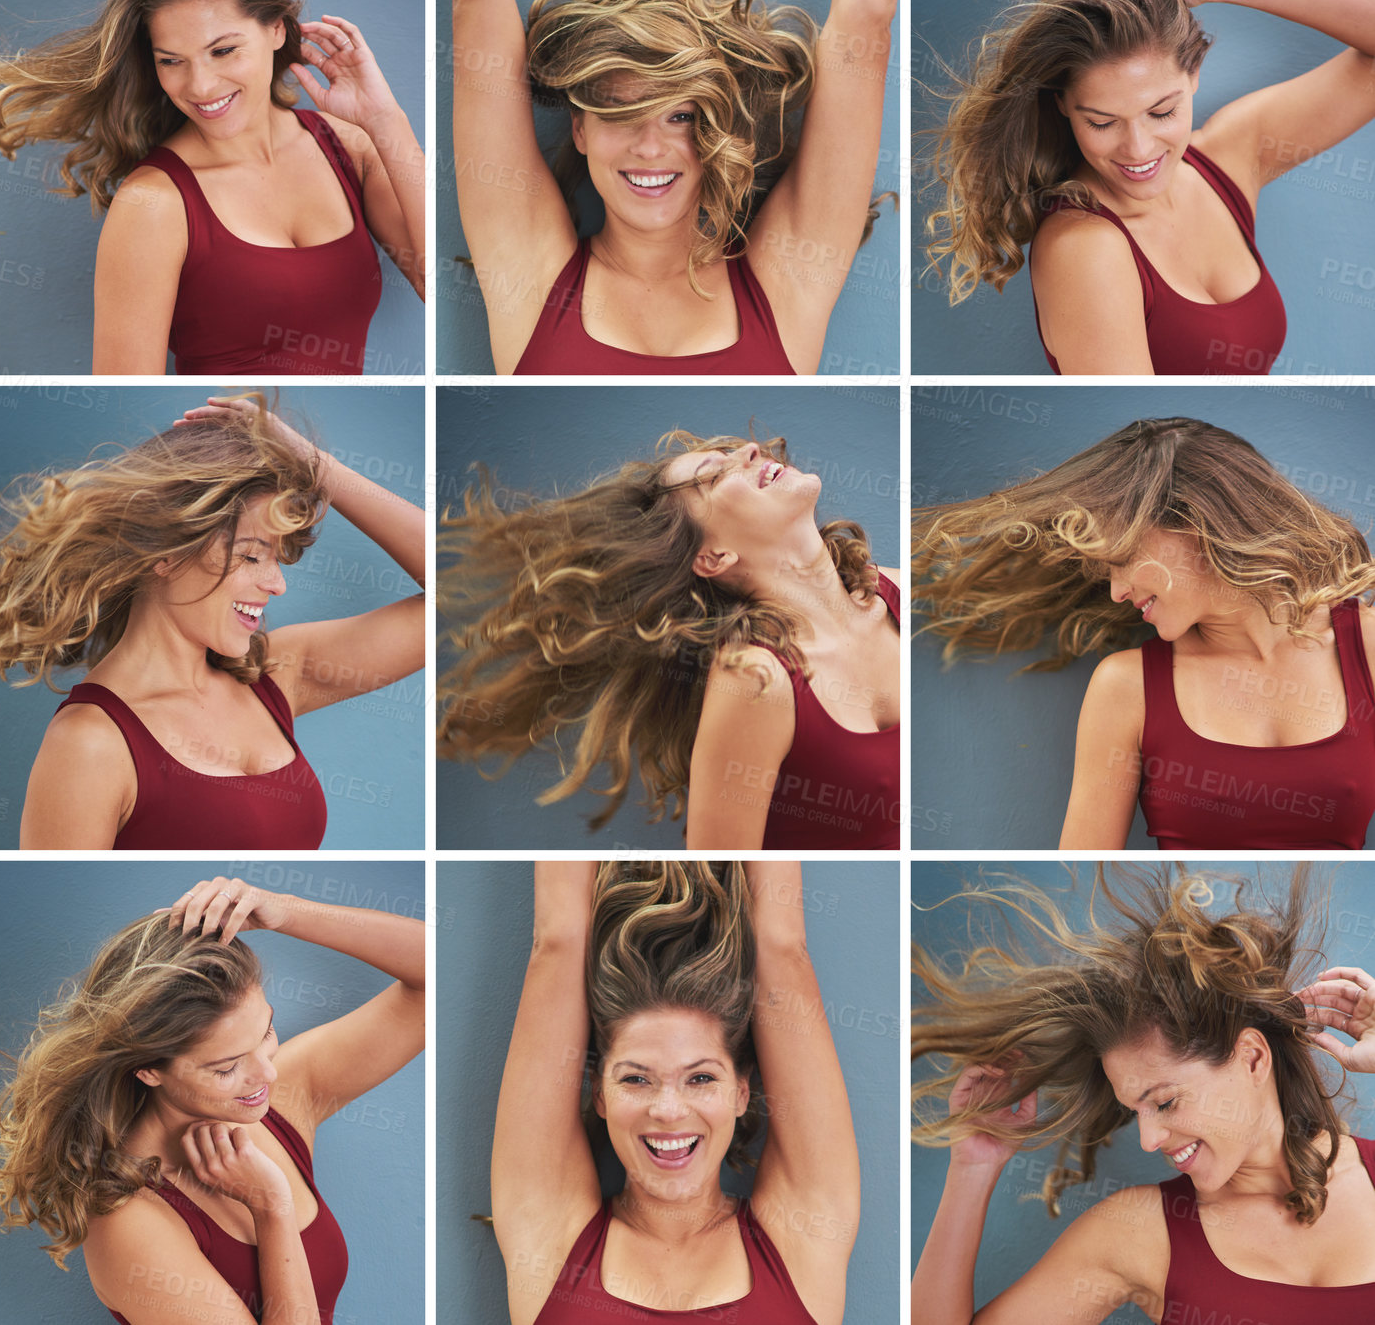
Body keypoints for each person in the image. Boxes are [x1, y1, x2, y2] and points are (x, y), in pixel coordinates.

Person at [911, 864, 1375, 1325]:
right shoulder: (1138, 1231)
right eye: (1136, 1112)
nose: (1149, 1140)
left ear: (1252, 1059)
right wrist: (972, 1167)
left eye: (1166, 1102)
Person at [437, 0, 898, 374]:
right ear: (580, 129)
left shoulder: (788, 286)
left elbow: (866, 16)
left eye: (680, 117)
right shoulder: (530, 275)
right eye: (621, 114)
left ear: (715, 132)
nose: (650, 147)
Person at [0, 393, 425, 849]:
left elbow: (460, 594)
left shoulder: (276, 674)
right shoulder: (89, 743)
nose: (277, 584)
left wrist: (313, 464)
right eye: (250, 556)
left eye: (278, 558)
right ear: (165, 555)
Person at [0, 0, 424, 374]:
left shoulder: (350, 146)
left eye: (223, 51)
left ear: (278, 31)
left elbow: (438, 287)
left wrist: (387, 122)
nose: (200, 86)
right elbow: (127, 390)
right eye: (171, 61)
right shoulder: (153, 204)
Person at [0, 874, 423, 1324]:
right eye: (226, 1068)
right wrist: (271, 1210)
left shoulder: (283, 1097)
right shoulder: (131, 1222)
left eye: (266, 1032)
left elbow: (435, 971)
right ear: (147, 1070)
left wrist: (284, 912)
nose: (266, 1072)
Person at [921, 0, 1375, 375]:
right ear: (1061, 104)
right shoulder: (1085, 247)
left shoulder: (1230, 157)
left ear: (1194, 72)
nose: (1137, 149)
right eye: (1101, 122)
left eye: (1162, 112)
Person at [912, 417, 1375, 849]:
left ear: (1196, 525)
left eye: (1122, 561)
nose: (1115, 593)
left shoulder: (1367, 646)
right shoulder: (1127, 687)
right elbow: (1084, 864)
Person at [438, 429, 900, 849]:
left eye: (729, 454)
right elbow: (720, 873)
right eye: (714, 476)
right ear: (715, 556)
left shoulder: (904, 593)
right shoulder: (757, 680)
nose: (749, 449)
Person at [494, 860, 857, 1323]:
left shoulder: (804, 1234)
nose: (667, 1110)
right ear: (599, 1093)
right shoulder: (549, 1233)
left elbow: (782, 947)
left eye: (701, 1078)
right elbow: (558, 942)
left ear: (742, 1091)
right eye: (635, 1079)